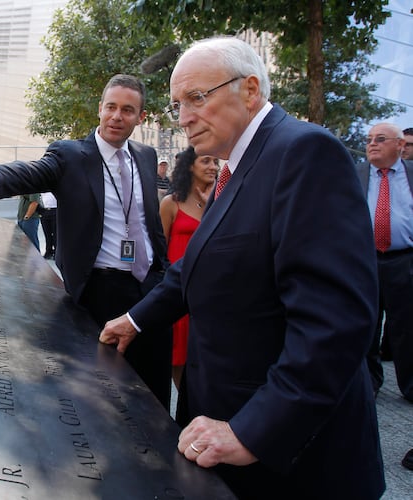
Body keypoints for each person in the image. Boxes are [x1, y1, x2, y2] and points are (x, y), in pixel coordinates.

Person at [99, 37, 384, 499]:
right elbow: (196, 265)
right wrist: (136, 320)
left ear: (250, 90)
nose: (185, 117)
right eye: (177, 105)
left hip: (289, 459)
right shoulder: (236, 166)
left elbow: (335, 323)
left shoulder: (305, 153)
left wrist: (253, 431)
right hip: (222, 426)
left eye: (197, 98)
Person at [0, 74, 172, 410]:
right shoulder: (70, 155)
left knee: (155, 393)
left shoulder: (145, 156)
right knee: (102, 399)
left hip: (150, 288)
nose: (117, 116)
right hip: (99, 292)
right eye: (111, 107)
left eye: (128, 110)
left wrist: (163, 270)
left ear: (140, 117)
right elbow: (30, 172)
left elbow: (149, 220)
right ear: (100, 109)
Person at [356, 123, 413, 402]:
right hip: (365, 258)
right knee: (367, 323)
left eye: (380, 139)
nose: (372, 144)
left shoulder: (410, 176)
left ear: (400, 146)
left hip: (405, 259)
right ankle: (370, 382)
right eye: (369, 140)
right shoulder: (357, 174)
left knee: (406, 325)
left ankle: (410, 385)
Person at [159, 146, 218, 390]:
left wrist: (211, 209)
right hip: (179, 292)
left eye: (216, 161)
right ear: (189, 166)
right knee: (178, 361)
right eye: (206, 161)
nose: (213, 166)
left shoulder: (221, 203)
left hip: (210, 294)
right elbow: (159, 251)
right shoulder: (171, 203)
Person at [39, 191, 57, 259]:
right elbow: (39, 199)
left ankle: (56, 252)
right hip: (45, 211)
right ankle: (48, 251)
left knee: (55, 234)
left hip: (54, 210)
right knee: (47, 234)